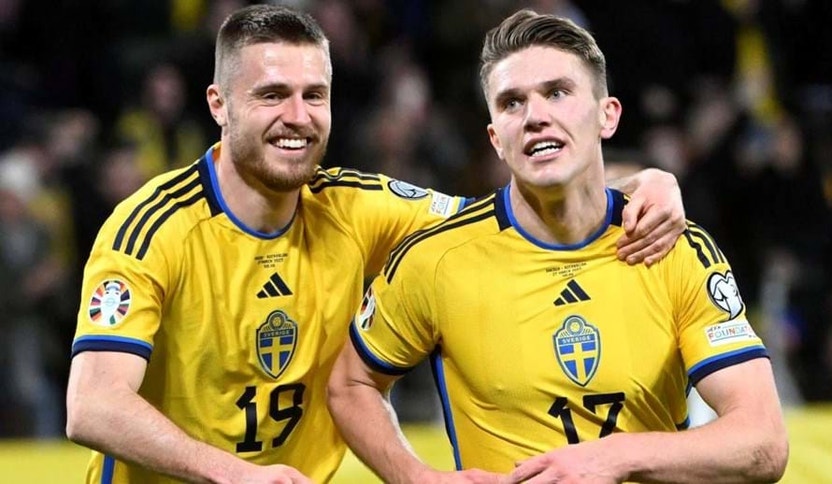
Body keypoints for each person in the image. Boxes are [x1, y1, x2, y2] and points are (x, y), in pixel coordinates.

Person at [66, 5, 686, 484]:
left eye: (315, 95)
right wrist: (231, 474)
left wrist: (639, 182)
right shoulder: (152, 227)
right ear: (219, 104)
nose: (297, 116)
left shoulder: (356, 208)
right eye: (272, 95)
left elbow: (512, 214)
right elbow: (92, 404)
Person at [327, 9, 789, 484]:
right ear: (496, 139)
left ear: (607, 115)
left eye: (557, 93)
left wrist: (613, 457)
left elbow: (763, 441)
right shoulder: (436, 258)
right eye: (512, 103)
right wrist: (417, 478)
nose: (535, 117)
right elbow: (350, 383)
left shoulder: (671, 244)